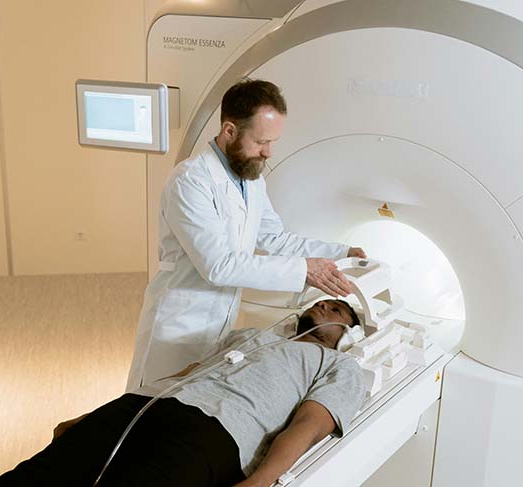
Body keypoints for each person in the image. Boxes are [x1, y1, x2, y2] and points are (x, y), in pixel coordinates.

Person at [0, 299, 368, 487]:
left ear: (349, 335)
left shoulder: (342, 367)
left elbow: (309, 425)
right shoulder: (252, 335)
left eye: (340, 311)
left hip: (214, 438)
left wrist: (257, 484)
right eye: (325, 302)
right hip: (148, 409)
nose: (327, 306)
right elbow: (184, 374)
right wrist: (96, 414)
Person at [128, 78, 366, 390]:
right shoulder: (190, 182)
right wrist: (304, 271)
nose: (268, 153)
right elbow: (219, 265)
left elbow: (274, 238)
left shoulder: (250, 179)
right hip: (179, 321)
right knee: (148, 406)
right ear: (229, 131)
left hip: (219, 322)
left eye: (273, 143)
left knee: (190, 402)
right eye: (261, 142)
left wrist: (342, 253)